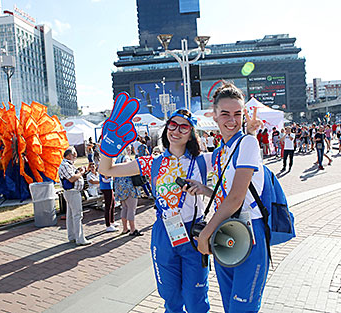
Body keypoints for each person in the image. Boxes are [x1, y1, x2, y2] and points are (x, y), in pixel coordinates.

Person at [99, 109, 212, 313]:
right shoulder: (152, 162)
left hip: (195, 233)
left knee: (196, 301)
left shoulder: (204, 160)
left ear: (192, 132)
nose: (176, 131)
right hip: (164, 233)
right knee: (171, 299)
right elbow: (107, 170)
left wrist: (205, 189)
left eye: (184, 126)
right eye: (172, 125)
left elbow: (226, 190)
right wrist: (107, 149)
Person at [192, 82, 268, 313]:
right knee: (229, 305)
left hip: (249, 232)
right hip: (225, 229)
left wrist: (205, 234)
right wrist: (203, 189)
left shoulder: (248, 142)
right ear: (214, 116)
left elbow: (236, 198)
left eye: (237, 114)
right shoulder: (219, 151)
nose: (231, 120)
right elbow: (224, 193)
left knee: (242, 308)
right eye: (225, 113)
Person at [58, 147, 91, 246]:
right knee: (77, 215)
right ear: (68, 155)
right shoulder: (65, 165)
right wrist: (81, 173)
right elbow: (72, 179)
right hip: (72, 192)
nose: (76, 156)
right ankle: (80, 239)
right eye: (74, 154)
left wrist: (79, 171)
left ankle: (72, 236)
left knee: (71, 215)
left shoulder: (67, 165)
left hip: (71, 192)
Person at [114, 147, 142, 236]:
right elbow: (129, 169)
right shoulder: (126, 158)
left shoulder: (117, 159)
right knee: (131, 208)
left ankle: (125, 228)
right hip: (129, 186)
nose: (130, 151)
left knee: (124, 208)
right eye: (129, 149)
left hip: (120, 187)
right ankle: (133, 229)